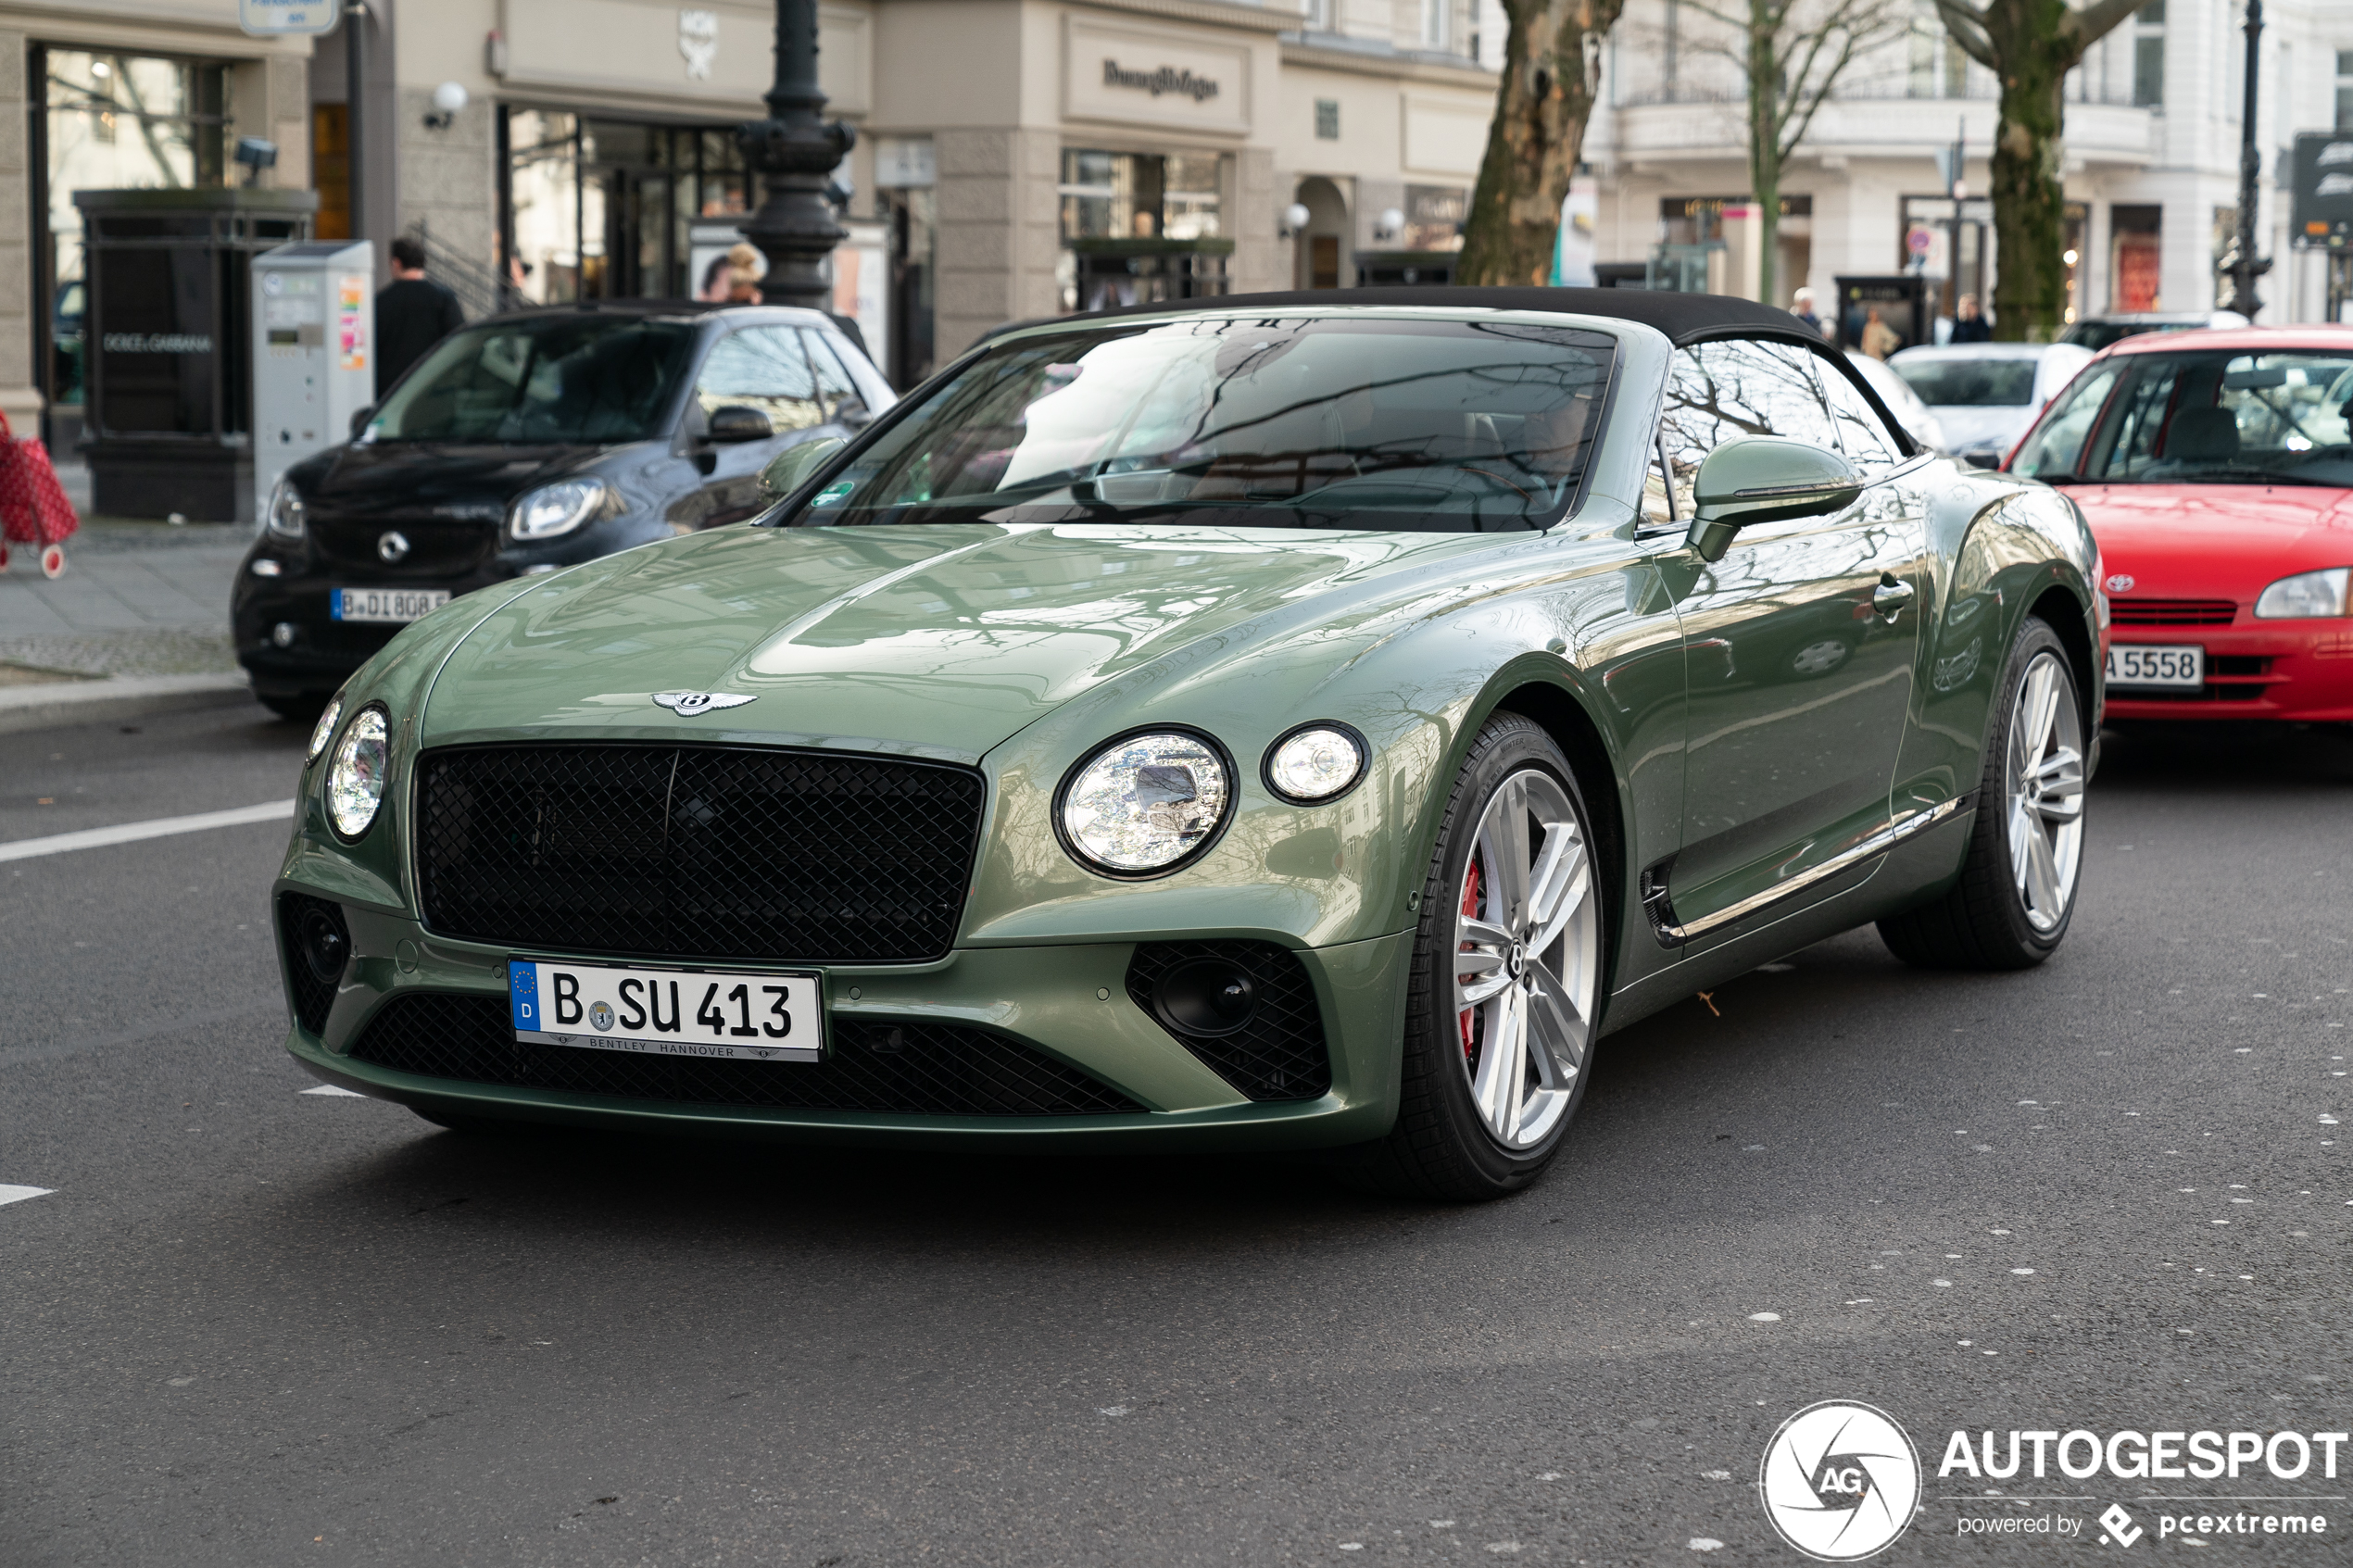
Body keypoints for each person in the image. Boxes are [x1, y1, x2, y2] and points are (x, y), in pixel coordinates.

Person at [373, 235, 465, 396]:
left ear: (396, 263)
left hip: (391, 393)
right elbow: (459, 340)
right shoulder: (444, 298)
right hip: (433, 388)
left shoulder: (380, 301)